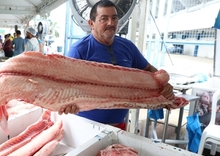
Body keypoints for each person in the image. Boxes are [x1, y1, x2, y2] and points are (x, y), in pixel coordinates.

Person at [62, 0, 174, 130]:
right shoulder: (78, 50)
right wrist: (68, 105)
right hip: (84, 127)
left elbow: (148, 69)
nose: (110, 23)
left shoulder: (128, 46)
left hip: (118, 126)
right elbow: (65, 88)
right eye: (104, 18)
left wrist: (162, 84)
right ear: (91, 23)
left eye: (114, 18)